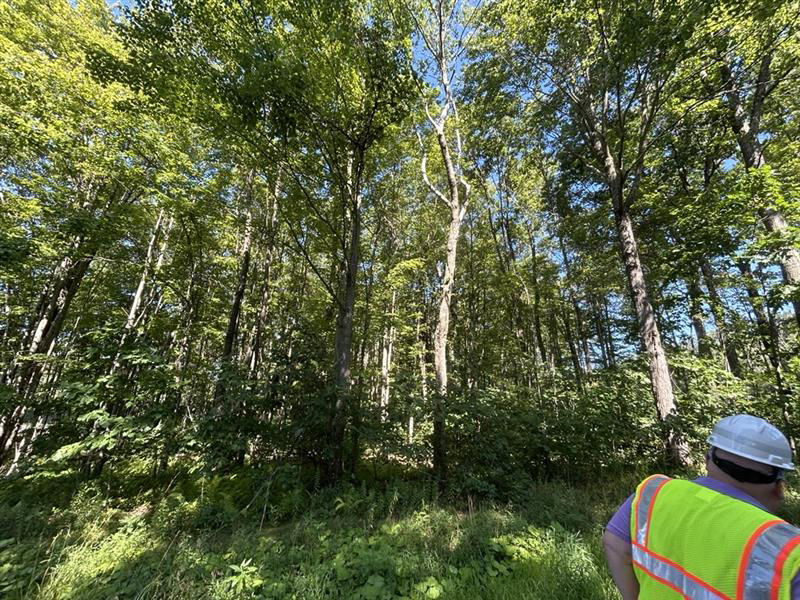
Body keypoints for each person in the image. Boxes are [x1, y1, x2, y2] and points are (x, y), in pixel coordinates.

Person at [604, 414, 800, 599]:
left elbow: (615, 545)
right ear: (779, 485)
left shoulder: (653, 493)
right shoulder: (788, 549)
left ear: (708, 459)